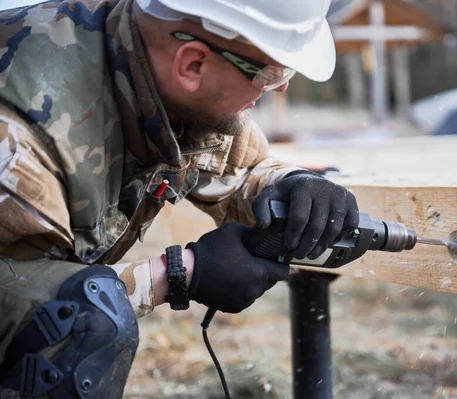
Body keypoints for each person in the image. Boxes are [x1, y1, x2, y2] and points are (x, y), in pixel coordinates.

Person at [0, 0, 359, 397]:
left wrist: (291, 184)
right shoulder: (18, 142)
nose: (282, 86)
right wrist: (177, 275)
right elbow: (19, 297)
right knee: (87, 321)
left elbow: (240, 171)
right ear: (192, 65)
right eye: (272, 72)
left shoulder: (161, 76)